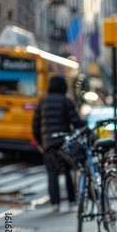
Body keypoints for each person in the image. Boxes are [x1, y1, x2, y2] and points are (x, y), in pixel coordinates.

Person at [32, 75, 85, 212]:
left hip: (48, 144)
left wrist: (40, 143)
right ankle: (72, 201)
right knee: (67, 171)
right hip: (64, 143)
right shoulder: (66, 101)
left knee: (52, 173)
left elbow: (35, 126)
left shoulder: (42, 102)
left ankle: (55, 204)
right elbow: (76, 121)